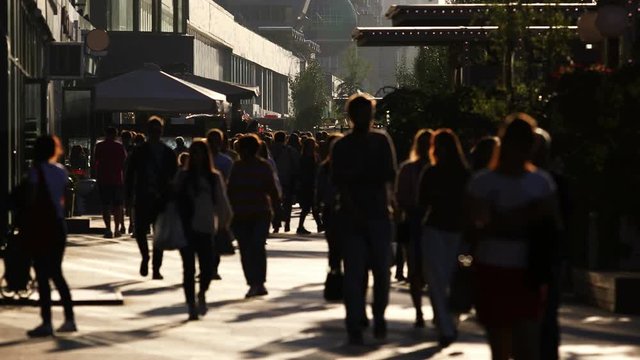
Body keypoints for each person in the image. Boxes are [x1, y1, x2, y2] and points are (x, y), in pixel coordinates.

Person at [467, 114, 559, 360]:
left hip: (527, 270)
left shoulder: (540, 183)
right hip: (493, 268)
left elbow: (549, 225)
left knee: (526, 346)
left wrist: (501, 217)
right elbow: (479, 225)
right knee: (501, 347)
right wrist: (526, 213)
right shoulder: (484, 182)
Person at [330, 94, 397, 345]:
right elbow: (341, 184)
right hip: (356, 217)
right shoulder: (345, 146)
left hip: (377, 214)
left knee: (379, 272)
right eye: (360, 113)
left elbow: (390, 175)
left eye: (368, 112)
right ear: (351, 116)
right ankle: (355, 322)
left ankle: (377, 315)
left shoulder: (381, 141)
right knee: (357, 274)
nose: (365, 118)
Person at [417, 128, 471, 347]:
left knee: (440, 281)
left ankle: (447, 323)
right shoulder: (464, 174)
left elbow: (421, 204)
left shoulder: (433, 173)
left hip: (441, 229)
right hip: (449, 231)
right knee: (445, 279)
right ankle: (448, 324)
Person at [26, 136, 76, 337]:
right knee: (57, 272)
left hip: (41, 226)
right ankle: (69, 318)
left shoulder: (35, 172)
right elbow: (63, 199)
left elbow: (31, 199)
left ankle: (47, 321)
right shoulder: (61, 171)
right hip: (58, 225)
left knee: (42, 274)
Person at [176, 141, 232, 320]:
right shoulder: (183, 176)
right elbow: (173, 198)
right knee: (188, 269)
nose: (197, 157)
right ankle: (191, 303)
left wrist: (224, 223)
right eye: (194, 153)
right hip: (186, 227)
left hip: (207, 227)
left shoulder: (213, 177)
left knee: (207, 268)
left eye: (200, 153)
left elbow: (222, 202)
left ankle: (202, 293)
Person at [227, 134, 281, 298]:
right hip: (244, 214)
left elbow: (271, 190)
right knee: (247, 248)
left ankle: (258, 282)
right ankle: (253, 282)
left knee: (256, 246)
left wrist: (277, 209)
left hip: (259, 213)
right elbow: (230, 191)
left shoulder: (262, 166)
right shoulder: (238, 167)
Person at [125, 116, 178, 280]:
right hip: (143, 196)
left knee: (159, 235)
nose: (156, 133)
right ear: (148, 132)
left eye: (158, 130)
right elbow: (129, 175)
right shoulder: (139, 152)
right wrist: (128, 196)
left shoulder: (168, 153)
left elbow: (174, 177)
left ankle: (156, 267)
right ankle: (145, 256)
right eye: (153, 131)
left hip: (161, 198)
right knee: (140, 231)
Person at [395, 128, 433, 328]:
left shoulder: (409, 169)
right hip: (422, 224)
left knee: (419, 271)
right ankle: (422, 311)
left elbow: (399, 199)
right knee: (423, 271)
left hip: (420, 223)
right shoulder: (412, 169)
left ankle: (422, 311)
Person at [316, 134, 343, 276]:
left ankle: (335, 270)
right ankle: (336, 270)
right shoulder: (326, 167)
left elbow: (319, 190)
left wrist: (317, 206)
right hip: (339, 210)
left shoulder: (325, 167)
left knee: (334, 245)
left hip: (332, 209)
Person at [94, 127, 127, 238]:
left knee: (105, 205)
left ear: (105, 133)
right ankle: (117, 229)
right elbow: (124, 162)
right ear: (115, 134)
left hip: (103, 178)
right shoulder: (119, 146)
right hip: (117, 179)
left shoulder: (99, 146)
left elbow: (96, 160)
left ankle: (108, 229)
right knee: (118, 205)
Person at [271, 131, 299, 233]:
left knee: (275, 203)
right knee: (287, 204)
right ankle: (287, 222)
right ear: (285, 139)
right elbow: (296, 165)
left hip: (273, 180)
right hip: (287, 179)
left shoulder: (270, 150)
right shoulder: (290, 151)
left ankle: (276, 224)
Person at [297, 137, 322, 235]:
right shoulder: (306, 157)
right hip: (307, 184)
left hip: (311, 183)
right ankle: (302, 226)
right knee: (308, 207)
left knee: (311, 206)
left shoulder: (311, 156)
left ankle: (319, 225)